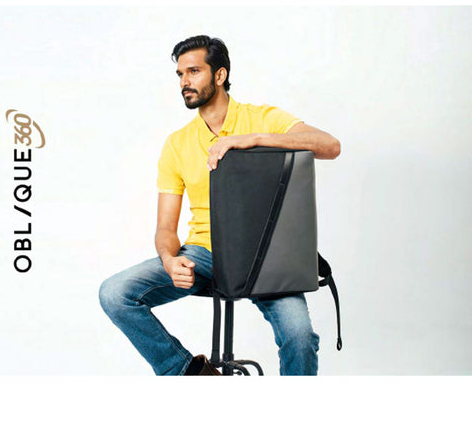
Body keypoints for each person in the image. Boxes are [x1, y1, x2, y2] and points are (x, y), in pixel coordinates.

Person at [99, 35, 341, 375]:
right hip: (204, 254)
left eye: (194, 71)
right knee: (114, 294)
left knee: (299, 336)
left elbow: (330, 146)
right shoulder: (177, 144)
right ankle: (191, 374)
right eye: (180, 74)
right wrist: (169, 260)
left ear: (220, 74)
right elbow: (166, 228)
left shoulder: (262, 118)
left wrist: (254, 139)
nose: (184, 82)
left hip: (264, 257)